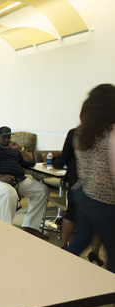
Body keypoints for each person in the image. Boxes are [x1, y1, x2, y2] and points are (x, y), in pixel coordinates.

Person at [66, 83, 115, 274]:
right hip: (104, 199)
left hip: (84, 193)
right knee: (113, 250)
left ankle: (54, 271)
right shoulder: (110, 132)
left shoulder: (81, 133)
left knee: (80, 242)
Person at [0, 126, 50, 239]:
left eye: (8, 137)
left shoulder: (14, 150)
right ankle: (5, 232)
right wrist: (0, 177)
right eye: (4, 137)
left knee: (41, 190)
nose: (6, 140)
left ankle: (30, 227)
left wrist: (21, 149)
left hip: (18, 180)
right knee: (8, 192)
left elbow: (31, 163)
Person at [52, 128, 104, 265]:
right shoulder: (106, 132)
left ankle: (64, 246)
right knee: (99, 218)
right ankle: (94, 252)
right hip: (103, 183)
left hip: (78, 179)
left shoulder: (76, 132)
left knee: (71, 213)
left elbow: (65, 157)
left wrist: (54, 161)